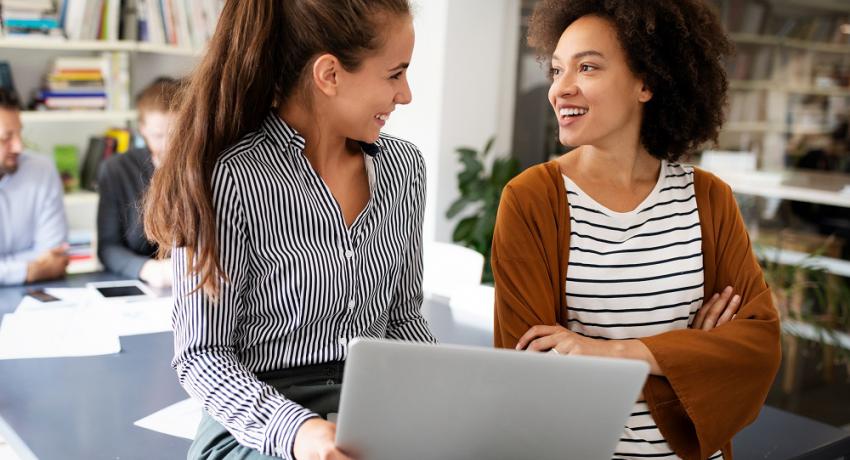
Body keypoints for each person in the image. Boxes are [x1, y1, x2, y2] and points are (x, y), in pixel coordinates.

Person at [142, 1, 435, 459]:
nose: (406, 95)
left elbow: (401, 319)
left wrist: (447, 395)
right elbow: (202, 354)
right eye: (395, 74)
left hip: (373, 403)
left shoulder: (405, 168)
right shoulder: (232, 178)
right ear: (329, 75)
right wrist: (300, 433)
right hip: (261, 418)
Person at [491, 1, 781, 459]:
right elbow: (533, 372)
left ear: (646, 81)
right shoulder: (531, 200)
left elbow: (758, 347)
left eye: (587, 67)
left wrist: (610, 352)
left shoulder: (708, 199)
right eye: (556, 70)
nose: (559, 89)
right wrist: (696, 356)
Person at [97, 77, 179, 287]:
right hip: (141, 285)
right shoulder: (117, 170)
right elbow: (108, 247)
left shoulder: (209, 168)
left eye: (176, 134)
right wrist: (148, 269)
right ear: (142, 130)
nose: (169, 146)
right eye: (158, 135)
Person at [0, 88, 68, 285]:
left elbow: (54, 254)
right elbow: (43, 264)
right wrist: (29, 270)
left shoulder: (42, 171)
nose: (19, 147)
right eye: (6, 138)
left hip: (33, 296)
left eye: (19, 133)